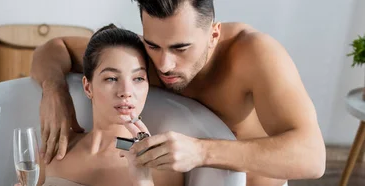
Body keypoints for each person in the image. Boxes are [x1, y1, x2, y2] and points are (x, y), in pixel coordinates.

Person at [29, 0, 326, 185]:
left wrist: (201, 150)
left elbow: (313, 158)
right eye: (153, 45)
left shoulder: (254, 55)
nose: (163, 64)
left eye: (180, 48)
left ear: (213, 34)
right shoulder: (145, 58)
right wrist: (55, 94)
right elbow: (55, 48)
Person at [19, 24, 184, 186]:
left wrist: (143, 180)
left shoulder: (163, 165)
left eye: (138, 78)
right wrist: (54, 91)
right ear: (87, 87)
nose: (126, 91)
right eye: (111, 78)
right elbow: (48, 49)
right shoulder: (54, 149)